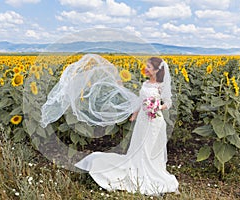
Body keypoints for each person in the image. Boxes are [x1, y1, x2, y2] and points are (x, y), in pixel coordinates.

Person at [74, 56, 179, 196]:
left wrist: (157, 108)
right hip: (142, 119)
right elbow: (142, 101)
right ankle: (137, 166)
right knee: (138, 145)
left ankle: (149, 170)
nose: (145, 68)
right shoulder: (146, 83)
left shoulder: (160, 86)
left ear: (156, 70)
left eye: (148, 67)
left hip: (154, 121)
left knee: (148, 147)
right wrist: (135, 114)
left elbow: (168, 102)